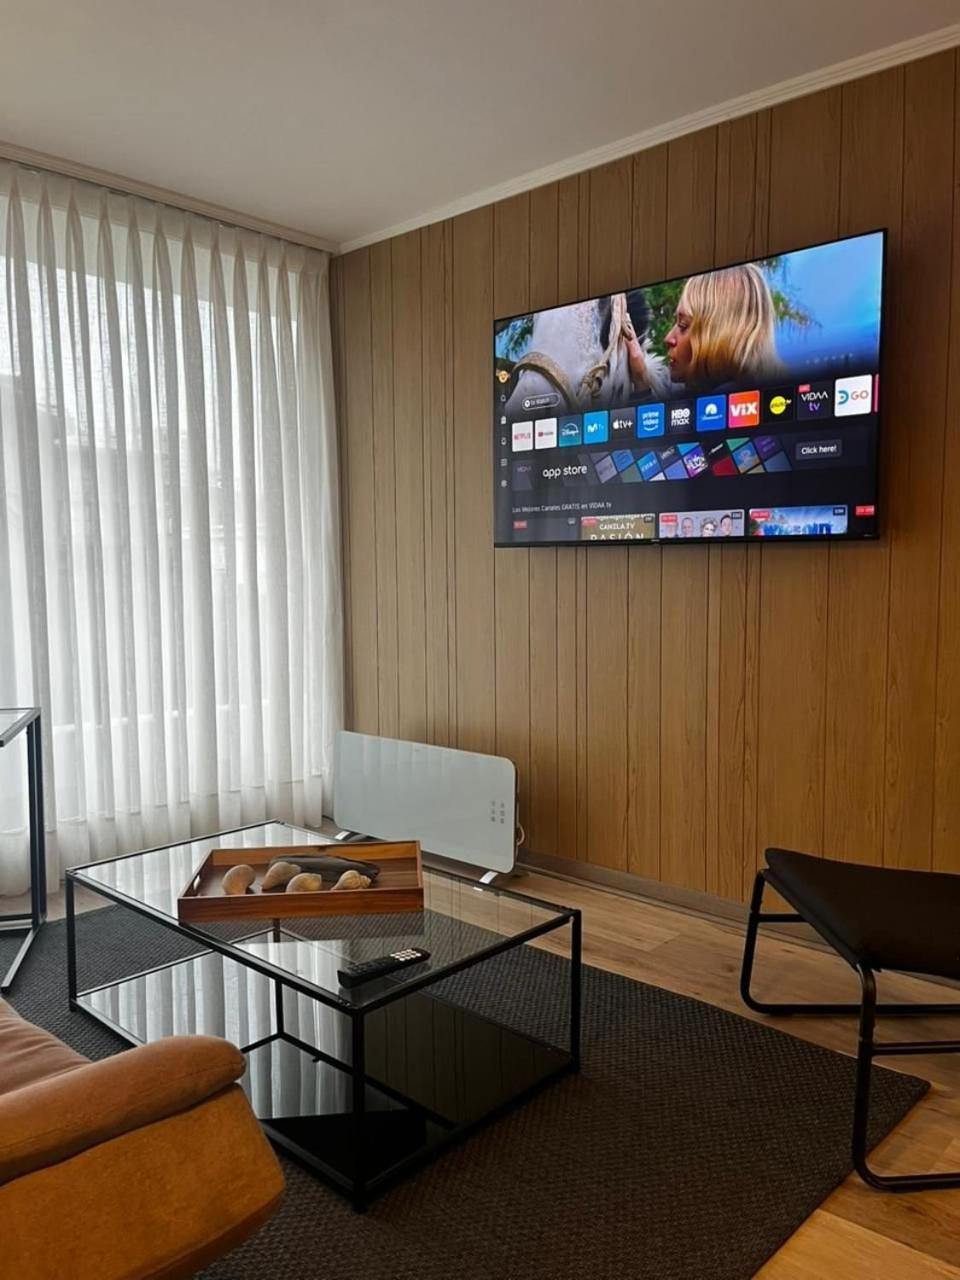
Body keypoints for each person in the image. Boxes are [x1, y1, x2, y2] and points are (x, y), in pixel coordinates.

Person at [630, 263, 783, 393]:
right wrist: (641, 380)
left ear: (722, 333)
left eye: (683, 326)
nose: (668, 338)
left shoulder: (727, 402)